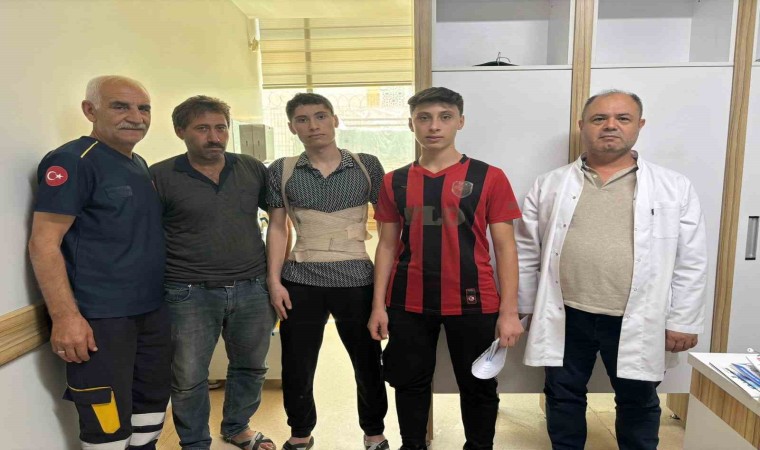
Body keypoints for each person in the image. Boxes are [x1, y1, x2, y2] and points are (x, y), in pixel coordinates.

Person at [516, 90, 708, 450]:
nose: (610, 126)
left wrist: (684, 319)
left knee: (638, 399)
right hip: (566, 312)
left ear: (640, 125)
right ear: (582, 126)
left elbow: (691, 259)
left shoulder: (673, 186)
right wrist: (524, 307)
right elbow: (527, 249)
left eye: (623, 118)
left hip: (636, 315)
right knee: (562, 394)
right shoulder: (551, 183)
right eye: (599, 118)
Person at [368, 86, 525, 450]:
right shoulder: (394, 181)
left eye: (444, 117)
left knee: (478, 385)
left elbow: (506, 247)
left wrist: (509, 311)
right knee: (409, 383)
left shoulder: (490, 176)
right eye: (424, 118)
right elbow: (387, 245)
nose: (434, 126)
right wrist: (378, 306)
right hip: (408, 301)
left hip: (475, 301)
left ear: (460, 122)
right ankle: (413, 445)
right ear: (411, 124)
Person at [28, 75, 170, 449]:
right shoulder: (73, 161)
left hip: (151, 312)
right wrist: (65, 318)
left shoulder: (138, 163)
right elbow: (44, 243)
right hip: (101, 320)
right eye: (120, 106)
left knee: (150, 411)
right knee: (106, 423)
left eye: (144, 108)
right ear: (90, 110)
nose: (136, 117)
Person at [150, 96, 276, 450]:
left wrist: (275, 276)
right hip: (188, 292)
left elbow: (281, 220)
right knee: (189, 376)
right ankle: (194, 442)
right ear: (180, 131)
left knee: (251, 366)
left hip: (252, 288)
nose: (214, 137)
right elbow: (146, 235)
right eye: (203, 128)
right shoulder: (160, 176)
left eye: (221, 128)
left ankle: (237, 427)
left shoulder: (251, 168)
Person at [266, 93, 389, 450]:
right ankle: (300, 433)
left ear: (335, 120)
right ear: (292, 127)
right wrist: (274, 281)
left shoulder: (366, 165)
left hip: (357, 280)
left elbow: (388, 229)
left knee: (367, 361)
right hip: (300, 279)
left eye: (320, 116)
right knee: (297, 363)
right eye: (302, 119)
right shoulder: (282, 170)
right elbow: (278, 228)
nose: (313, 125)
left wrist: (383, 294)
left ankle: (374, 432)